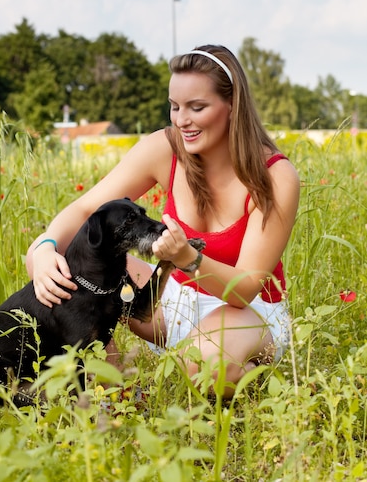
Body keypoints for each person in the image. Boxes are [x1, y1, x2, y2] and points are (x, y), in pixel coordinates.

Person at [26, 45, 300, 398]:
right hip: (170, 300)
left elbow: (245, 289)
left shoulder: (275, 176)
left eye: (197, 107)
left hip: (247, 312)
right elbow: (83, 212)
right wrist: (47, 246)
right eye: (175, 107)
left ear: (232, 106)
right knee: (44, 261)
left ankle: (244, 370)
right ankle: (114, 379)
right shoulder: (165, 148)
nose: (181, 120)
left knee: (204, 366)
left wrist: (188, 258)